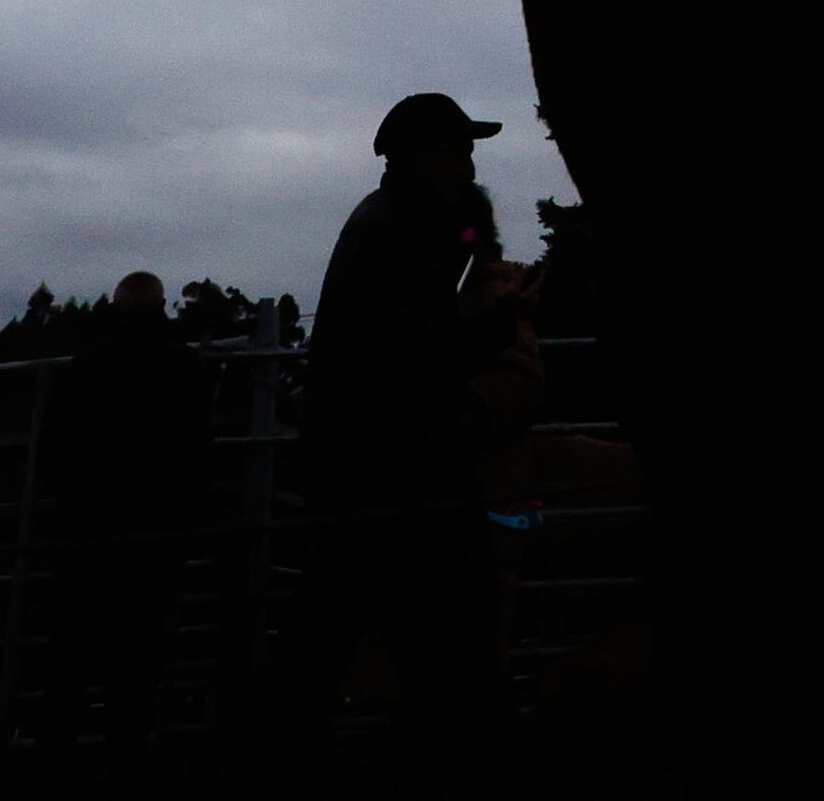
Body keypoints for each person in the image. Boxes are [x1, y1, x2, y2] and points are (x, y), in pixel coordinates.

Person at [261, 94, 523, 791]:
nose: (470, 162)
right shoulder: (405, 234)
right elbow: (422, 360)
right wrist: (507, 321)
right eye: (461, 148)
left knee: (324, 648)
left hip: (361, 477)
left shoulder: (384, 222)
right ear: (425, 152)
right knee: (456, 650)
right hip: (403, 483)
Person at [40, 272, 219, 791]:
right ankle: (127, 763)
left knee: (70, 655)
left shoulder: (82, 366)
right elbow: (196, 449)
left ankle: (54, 764)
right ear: (161, 308)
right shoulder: (181, 365)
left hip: (84, 530)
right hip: (153, 533)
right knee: (136, 655)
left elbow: (52, 450)